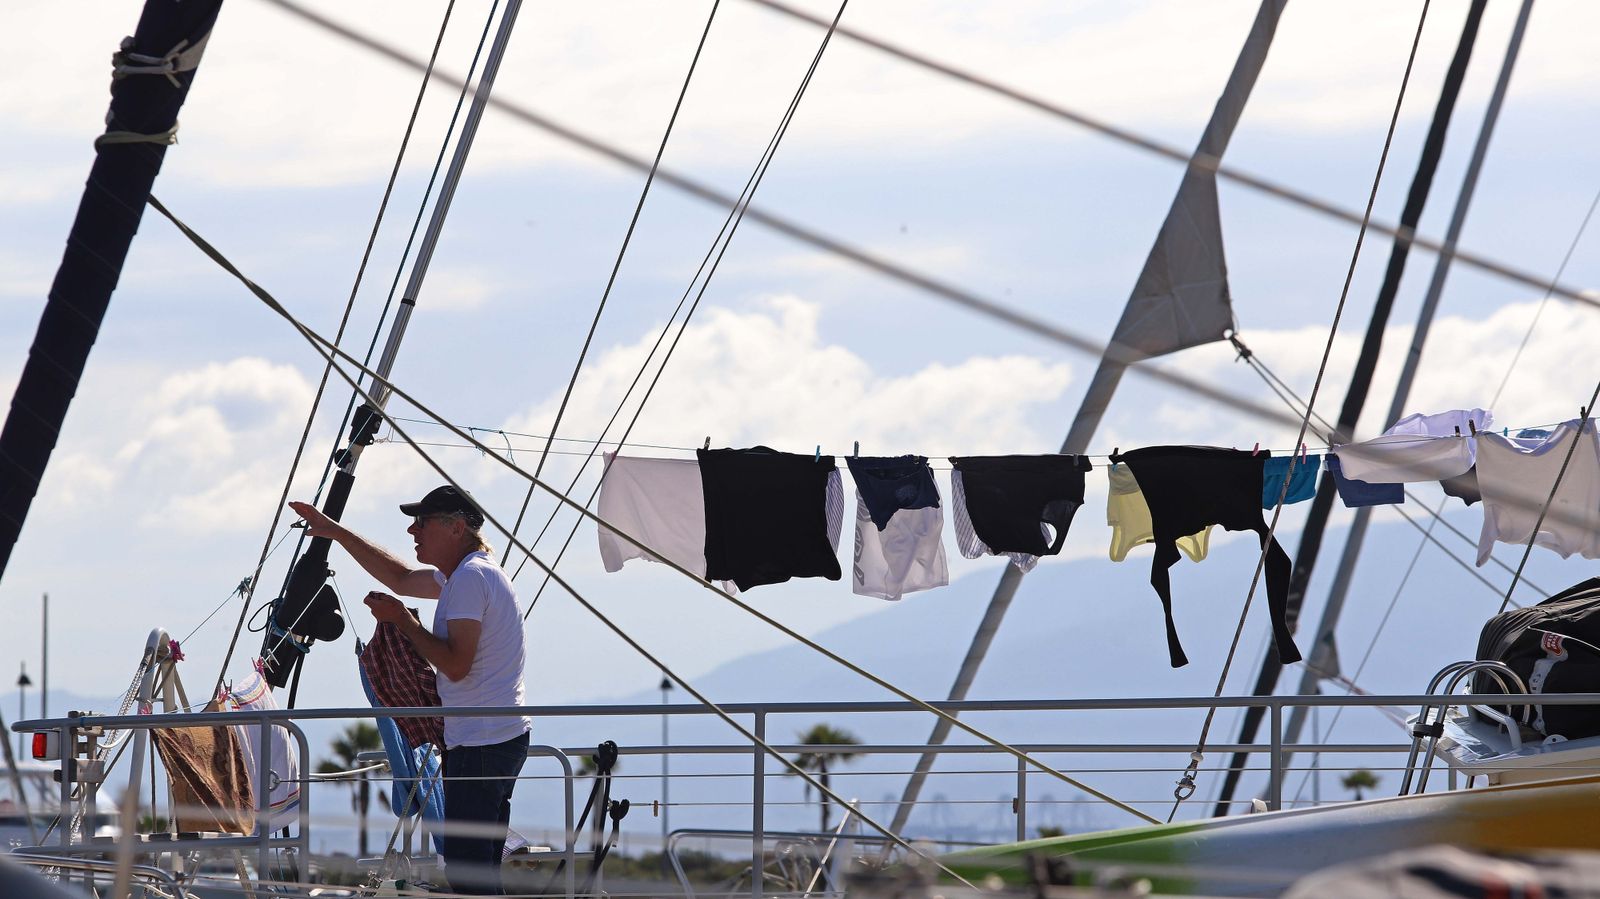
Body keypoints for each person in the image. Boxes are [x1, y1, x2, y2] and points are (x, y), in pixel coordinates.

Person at [289, 486, 529, 895]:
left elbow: (455, 664)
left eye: (422, 522)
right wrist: (335, 532)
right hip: (490, 739)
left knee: (468, 873)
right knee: (478, 870)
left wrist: (402, 620)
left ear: (455, 527)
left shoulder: (471, 578)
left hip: (482, 743)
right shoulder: (467, 574)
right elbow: (398, 577)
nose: (412, 530)